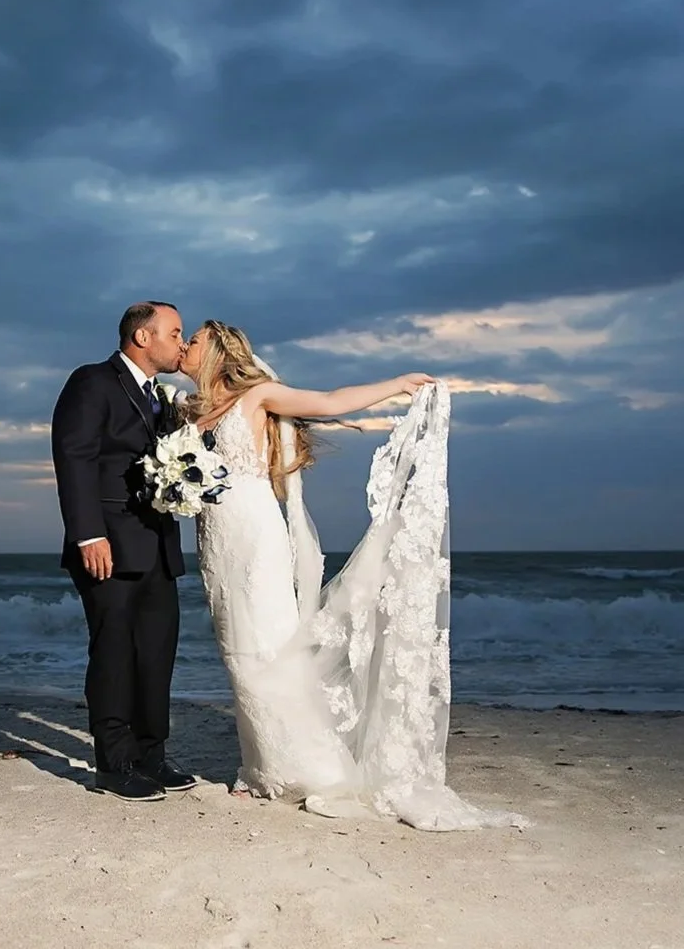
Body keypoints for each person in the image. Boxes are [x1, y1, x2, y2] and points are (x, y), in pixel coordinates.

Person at [180, 319, 527, 830]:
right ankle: (263, 768)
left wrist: (394, 385)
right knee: (237, 650)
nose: (185, 346)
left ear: (215, 353)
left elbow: (327, 401)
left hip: (255, 538)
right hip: (217, 541)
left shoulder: (256, 395)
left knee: (266, 649)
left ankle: (311, 770)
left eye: (194, 341)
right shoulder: (193, 411)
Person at [50, 301, 195, 801]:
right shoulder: (92, 381)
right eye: (175, 333)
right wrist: (88, 534)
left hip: (158, 545)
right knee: (113, 654)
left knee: (156, 655)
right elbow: (75, 457)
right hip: (107, 545)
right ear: (141, 337)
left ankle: (152, 756)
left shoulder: (164, 397)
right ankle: (114, 765)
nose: (183, 342)